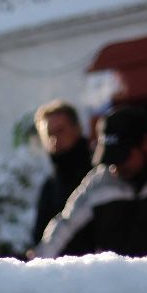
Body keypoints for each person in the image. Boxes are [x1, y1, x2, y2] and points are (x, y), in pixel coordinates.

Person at [35, 106, 147, 260]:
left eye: (122, 157)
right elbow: (65, 225)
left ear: (146, 143)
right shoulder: (100, 179)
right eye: (110, 160)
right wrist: (40, 266)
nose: (115, 168)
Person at [31, 100, 94, 243]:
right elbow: (39, 239)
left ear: (77, 129)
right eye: (49, 134)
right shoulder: (50, 186)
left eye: (60, 131)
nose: (54, 139)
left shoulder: (98, 172)